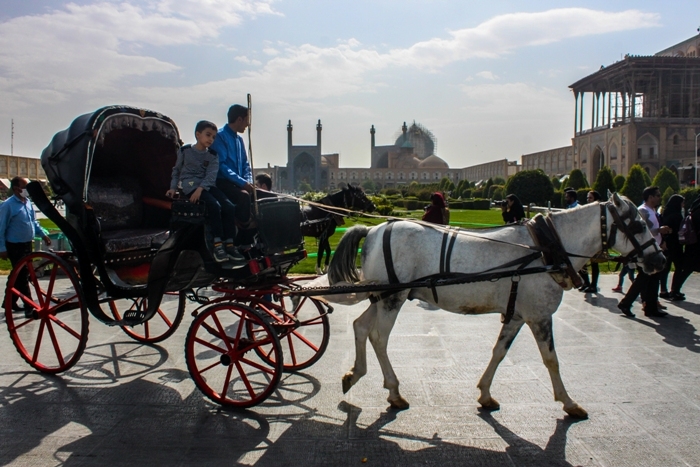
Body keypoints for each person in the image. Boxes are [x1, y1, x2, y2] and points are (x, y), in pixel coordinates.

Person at [166, 120, 246, 266]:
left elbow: (210, 176)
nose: (211, 139)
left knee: (228, 206)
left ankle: (229, 244)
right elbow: (177, 170)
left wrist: (200, 189)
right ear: (198, 134)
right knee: (214, 205)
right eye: (208, 135)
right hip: (189, 184)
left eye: (213, 137)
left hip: (205, 186)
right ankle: (217, 245)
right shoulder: (185, 151)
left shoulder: (213, 156)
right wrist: (173, 187)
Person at [617, 186, 671, 318]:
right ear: (650, 197)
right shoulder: (643, 211)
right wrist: (659, 231)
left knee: (652, 280)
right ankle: (627, 303)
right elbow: (641, 232)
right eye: (657, 195)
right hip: (647, 252)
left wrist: (661, 240)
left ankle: (650, 307)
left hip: (655, 249)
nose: (659, 197)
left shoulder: (652, 211)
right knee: (644, 279)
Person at [0, 177, 52, 313]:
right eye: (25, 188)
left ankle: (9, 302)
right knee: (22, 274)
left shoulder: (27, 203)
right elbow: (1, 228)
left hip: (27, 243)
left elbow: (34, 222)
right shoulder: (8, 205)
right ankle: (29, 305)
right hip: (14, 245)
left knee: (19, 274)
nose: (27, 191)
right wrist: (2, 248)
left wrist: (43, 235)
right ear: (17, 189)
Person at [211, 104, 255, 228]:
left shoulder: (239, 140)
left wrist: (249, 182)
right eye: (247, 120)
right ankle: (242, 232)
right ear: (239, 119)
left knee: (265, 196)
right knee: (243, 197)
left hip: (238, 184)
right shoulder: (220, 136)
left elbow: (246, 165)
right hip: (222, 182)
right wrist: (242, 183)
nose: (248, 125)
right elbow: (221, 166)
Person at [667, 196, 700, 299]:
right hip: (697, 244)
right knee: (687, 269)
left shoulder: (694, 207)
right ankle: (675, 290)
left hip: (692, 244)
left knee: (686, 269)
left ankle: (675, 290)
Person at [659, 194, 685, 300]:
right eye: (682, 202)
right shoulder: (677, 215)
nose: (683, 205)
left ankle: (663, 290)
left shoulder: (665, 213)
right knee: (679, 267)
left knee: (665, 268)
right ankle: (675, 290)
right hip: (675, 244)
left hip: (666, 243)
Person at [578, 191, 601, 293]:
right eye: (587, 198)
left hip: (594, 240)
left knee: (594, 264)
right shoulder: (587, 210)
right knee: (581, 262)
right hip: (585, 240)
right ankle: (586, 283)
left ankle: (593, 285)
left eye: (590, 198)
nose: (588, 200)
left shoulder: (599, 210)